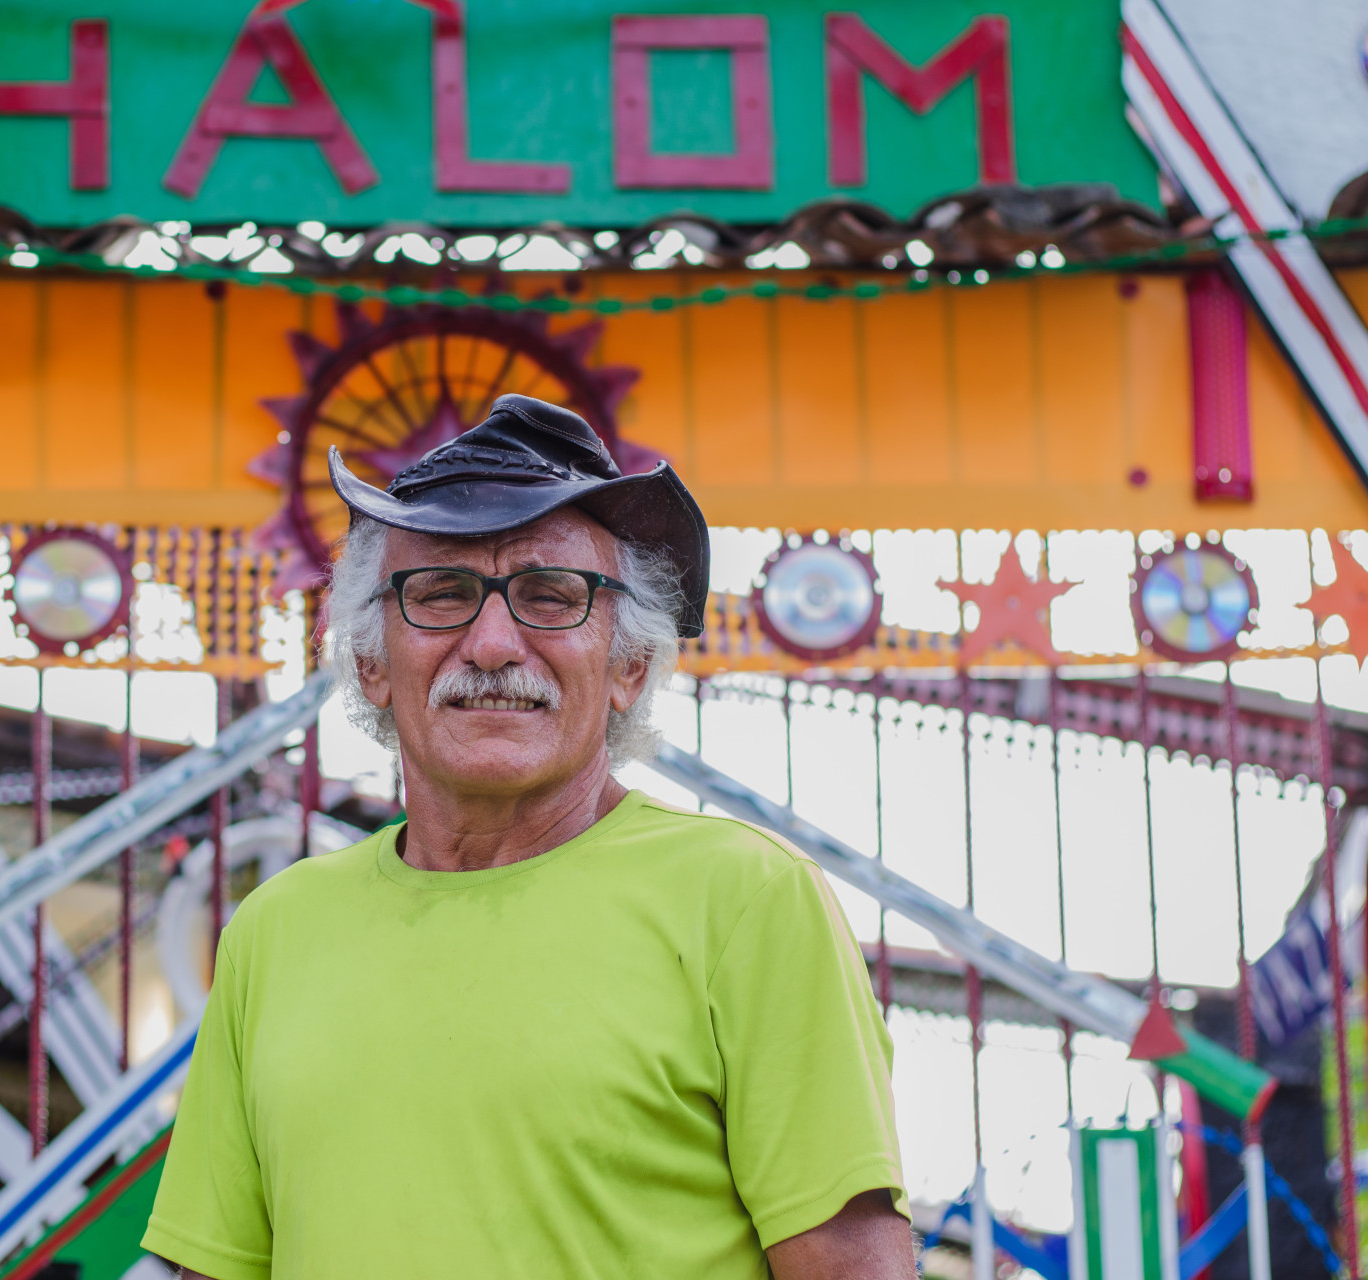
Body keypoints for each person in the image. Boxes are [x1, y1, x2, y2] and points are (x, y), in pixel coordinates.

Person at [142, 394, 912, 1279]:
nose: (495, 643)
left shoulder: (746, 898)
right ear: (368, 662)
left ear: (628, 666)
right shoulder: (273, 931)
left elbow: (852, 1267)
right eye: (441, 594)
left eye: (551, 596)